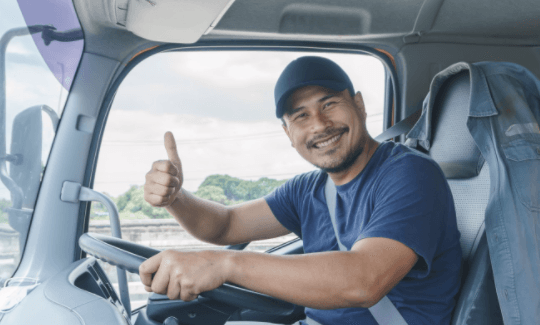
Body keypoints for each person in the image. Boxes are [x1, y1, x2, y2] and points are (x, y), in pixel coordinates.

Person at [139, 56, 462, 325]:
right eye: (301, 116)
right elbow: (224, 225)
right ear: (287, 133)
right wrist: (176, 198)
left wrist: (224, 265)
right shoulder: (308, 189)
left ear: (359, 105)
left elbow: (365, 280)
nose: (319, 125)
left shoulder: (411, 173)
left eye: (330, 104)